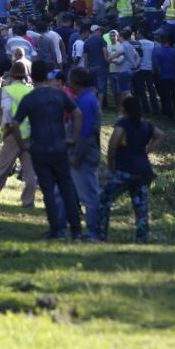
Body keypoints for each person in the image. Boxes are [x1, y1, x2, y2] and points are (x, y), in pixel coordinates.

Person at [12, 60, 84, 240]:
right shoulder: (59, 95)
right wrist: (73, 138)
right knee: (66, 189)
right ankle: (76, 230)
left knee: (48, 190)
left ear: (31, 77)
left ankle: (56, 229)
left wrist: (23, 145)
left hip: (39, 148)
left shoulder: (30, 98)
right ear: (48, 75)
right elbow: (77, 113)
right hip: (59, 146)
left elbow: (14, 123)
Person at [99, 96, 165, 242]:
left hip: (125, 170)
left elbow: (112, 145)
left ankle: (101, 234)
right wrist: (147, 151)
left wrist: (111, 166)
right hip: (143, 171)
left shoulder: (123, 124)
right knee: (141, 206)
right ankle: (142, 238)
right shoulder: (146, 125)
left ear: (124, 109)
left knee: (103, 200)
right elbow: (161, 135)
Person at [0, 61, 38, 208]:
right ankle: (28, 200)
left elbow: (7, 112)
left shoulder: (8, 90)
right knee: (30, 173)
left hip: (12, 133)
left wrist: (5, 131)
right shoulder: (31, 91)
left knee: (1, 170)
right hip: (28, 135)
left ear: (11, 75)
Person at [68, 67, 102, 241]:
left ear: (76, 82)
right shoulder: (87, 98)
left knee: (89, 195)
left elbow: (85, 132)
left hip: (85, 155)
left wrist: (77, 156)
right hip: (87, 152)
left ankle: (94, 232)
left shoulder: (85, 102)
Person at [151, 33, 175, 120]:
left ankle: (169, 114)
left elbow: (156, 65)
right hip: (172, 77)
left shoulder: (158, 51)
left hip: (162, 77)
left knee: (165, 96)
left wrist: (158, 73)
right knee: (174, 96)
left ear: (162, 41)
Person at [131, 29, 160, 115]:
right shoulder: (152, 44)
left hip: (140, 69)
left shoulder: (137, 43)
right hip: (150, 69)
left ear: (140, 34)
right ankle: (155, 108)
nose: (136, 35)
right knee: (151, 89)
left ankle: (145, 108)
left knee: (141, 90)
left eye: (137, 33)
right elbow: (155, 57)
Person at [82, 24, 110, 109]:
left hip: (91, 68)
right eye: (99, 31)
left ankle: (92, 105)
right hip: (101, 67)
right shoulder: (101, 40)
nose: (100, 32)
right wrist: (108, 61)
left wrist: (86, 68)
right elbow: (105, 53)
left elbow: (85, 57)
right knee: (101, 88)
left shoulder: (86, 42)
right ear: (95, 31)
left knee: (93, 87)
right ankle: (99, 107)